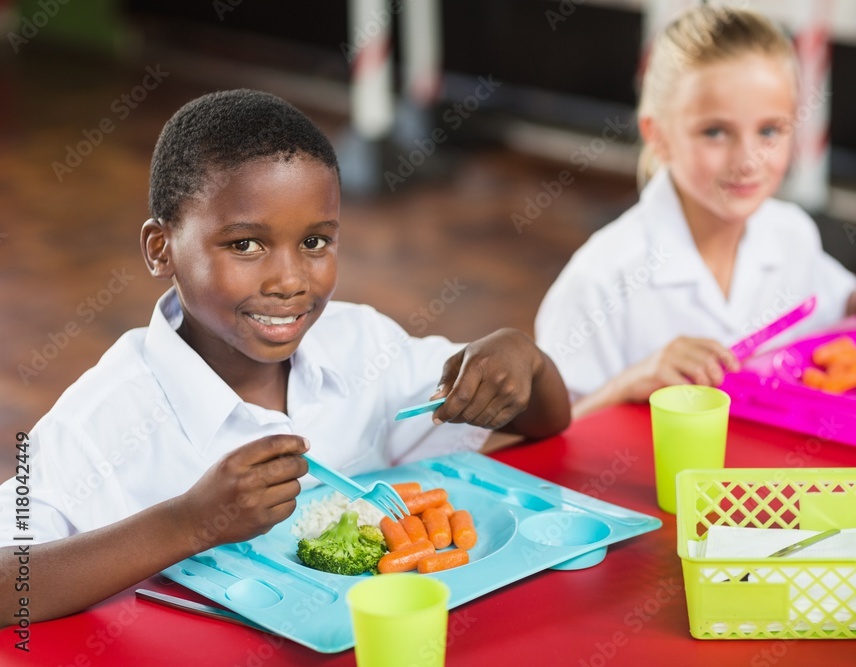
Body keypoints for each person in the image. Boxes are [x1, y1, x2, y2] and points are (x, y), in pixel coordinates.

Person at [0, 89, 570, 623]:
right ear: (161, 249)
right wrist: (188, 524)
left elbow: (544, 419)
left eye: (315, 242)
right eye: (245, 245)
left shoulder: (362, 345)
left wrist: (523, 358)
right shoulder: (98, 424)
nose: (290, 280)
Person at [535, 5, 856, 418]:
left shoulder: (790, 233)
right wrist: (630, 384)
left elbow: (833, 306)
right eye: (715, 132)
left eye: (769, 130)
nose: (748, 160)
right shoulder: (600, 280)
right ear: (657, 136)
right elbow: (540, 446)